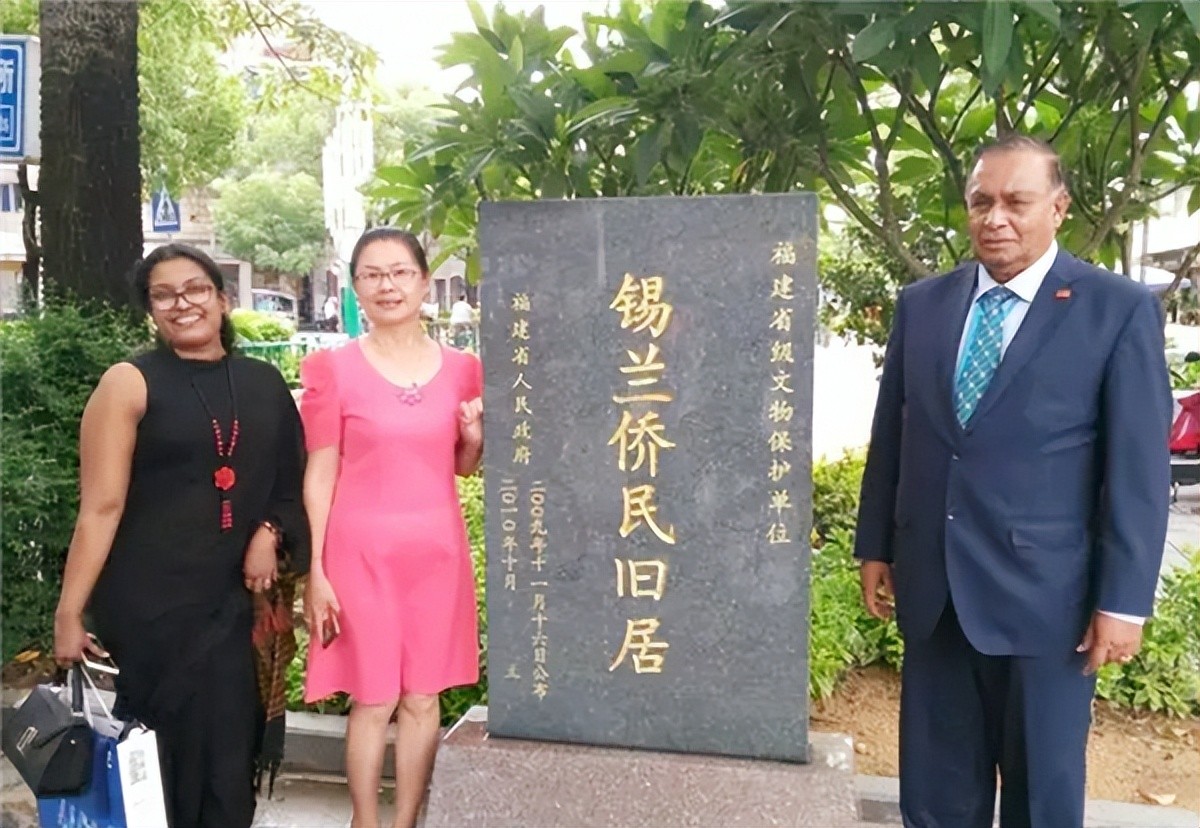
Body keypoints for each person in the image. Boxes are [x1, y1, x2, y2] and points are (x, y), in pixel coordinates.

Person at [854, 134, 1172, 828]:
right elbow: (895, 436)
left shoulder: (1114, 309)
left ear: (1058, 209)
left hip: (1048, 604)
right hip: (936, 593)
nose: (995, 218)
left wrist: (1124, 600)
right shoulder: (923, 305)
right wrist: (874, 543)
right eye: (981, 202)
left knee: (1041, 797)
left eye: (1016, 202)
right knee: (935, 797)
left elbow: (1138, 470)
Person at [53, 243, 311, 828]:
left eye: (195, 289)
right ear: (150, 310)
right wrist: (69, 613)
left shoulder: (264, 382)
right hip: (150, 607)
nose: (182, 303)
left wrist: (270, 532)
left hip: (234, 604)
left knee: (228, 759)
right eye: (163, 295)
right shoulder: (129, 383)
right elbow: (100, 508)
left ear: (222, 298)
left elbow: (291, 485)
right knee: (161, 760)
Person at [300, 228, 483, 828]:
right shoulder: (333, 369)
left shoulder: (464, 370)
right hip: (359, 553)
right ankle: (365, 821)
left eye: (401, 272)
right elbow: (320, 471)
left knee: (423, 697)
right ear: (355, 288)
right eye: (373, 274)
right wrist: (316, 568)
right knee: (374, 697)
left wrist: (474, 437)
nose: (388, 285)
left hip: (437, 552)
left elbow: (462, 464)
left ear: (425, 282)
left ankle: (406, 820)